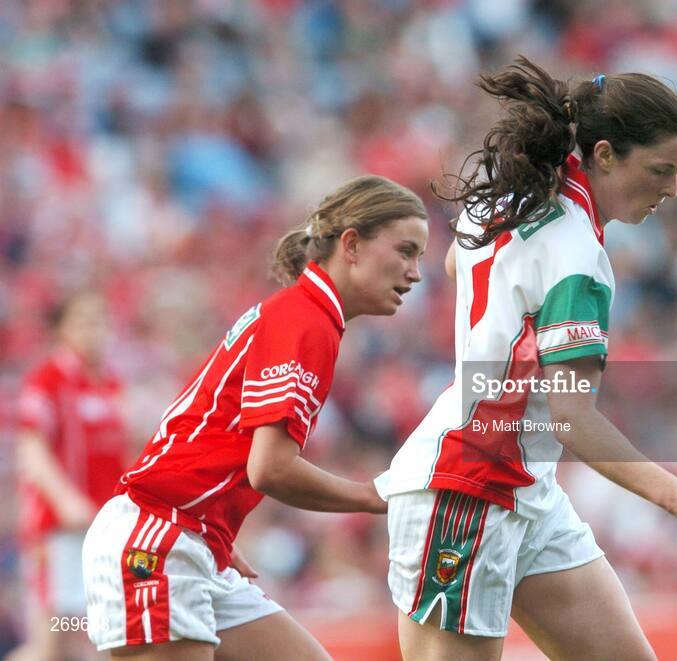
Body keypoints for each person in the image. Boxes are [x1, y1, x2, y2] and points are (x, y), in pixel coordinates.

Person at [374, 57, 677, 661]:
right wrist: (675, 495)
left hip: (526, 489)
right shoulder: (577, 253)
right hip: (469, 489)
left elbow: (459, 263)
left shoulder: (517, 196)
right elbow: (571, 417)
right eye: (662, 170)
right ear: (605, 154)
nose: (672, 189)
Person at [81, 175, 429, 660]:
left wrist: (215, 521)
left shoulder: (305, 314)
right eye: (405, 251)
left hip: (192, 537)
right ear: (351, 244)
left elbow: (205, 428)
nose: (415, 273)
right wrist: (377, 497)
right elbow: (270, 468)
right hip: (158, 539)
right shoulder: (307, 320)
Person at [8, 291, 129, 661]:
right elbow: (31, 447)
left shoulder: (109, 382)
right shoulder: (48, 379)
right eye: (84, 321)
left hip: (99, 530)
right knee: (54, 641)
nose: (96, 330)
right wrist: (66, 500)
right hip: (61, 531)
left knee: (91, 637)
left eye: (101, 320)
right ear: (62, 329)